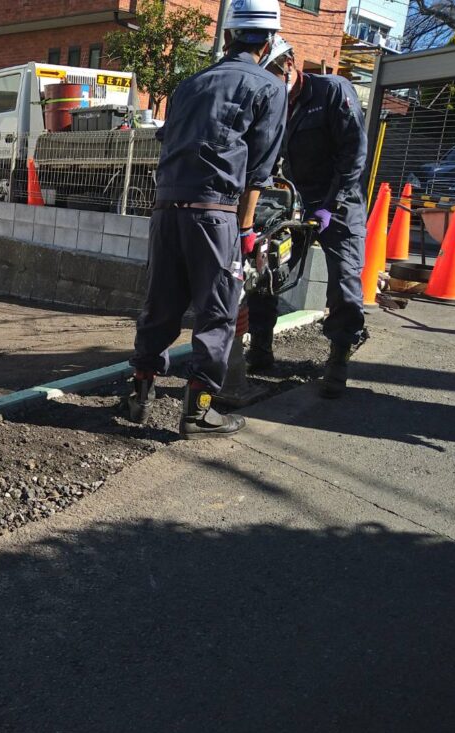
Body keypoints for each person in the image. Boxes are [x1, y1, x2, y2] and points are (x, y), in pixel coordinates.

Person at [128, 0, 286, 439]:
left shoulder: (190, 84)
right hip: (215, 216)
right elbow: (258, 170)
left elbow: (167, 140)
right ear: (269, 41)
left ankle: (139, 396)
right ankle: (197, 413)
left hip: (166, 210)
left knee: (160, 304)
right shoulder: (269, 87)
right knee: (217, 312)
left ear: (229, 35)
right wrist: (247, 230)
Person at [246, 35, 368, 398]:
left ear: (289, 65)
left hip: (339, 202)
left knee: (344, 279)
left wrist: (332, 203)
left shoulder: (332, 92)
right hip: (296, 200)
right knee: (266, 265)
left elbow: (353, 153)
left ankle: (339, 357)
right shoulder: (272, 102)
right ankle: (261, 349)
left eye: (271, 75)